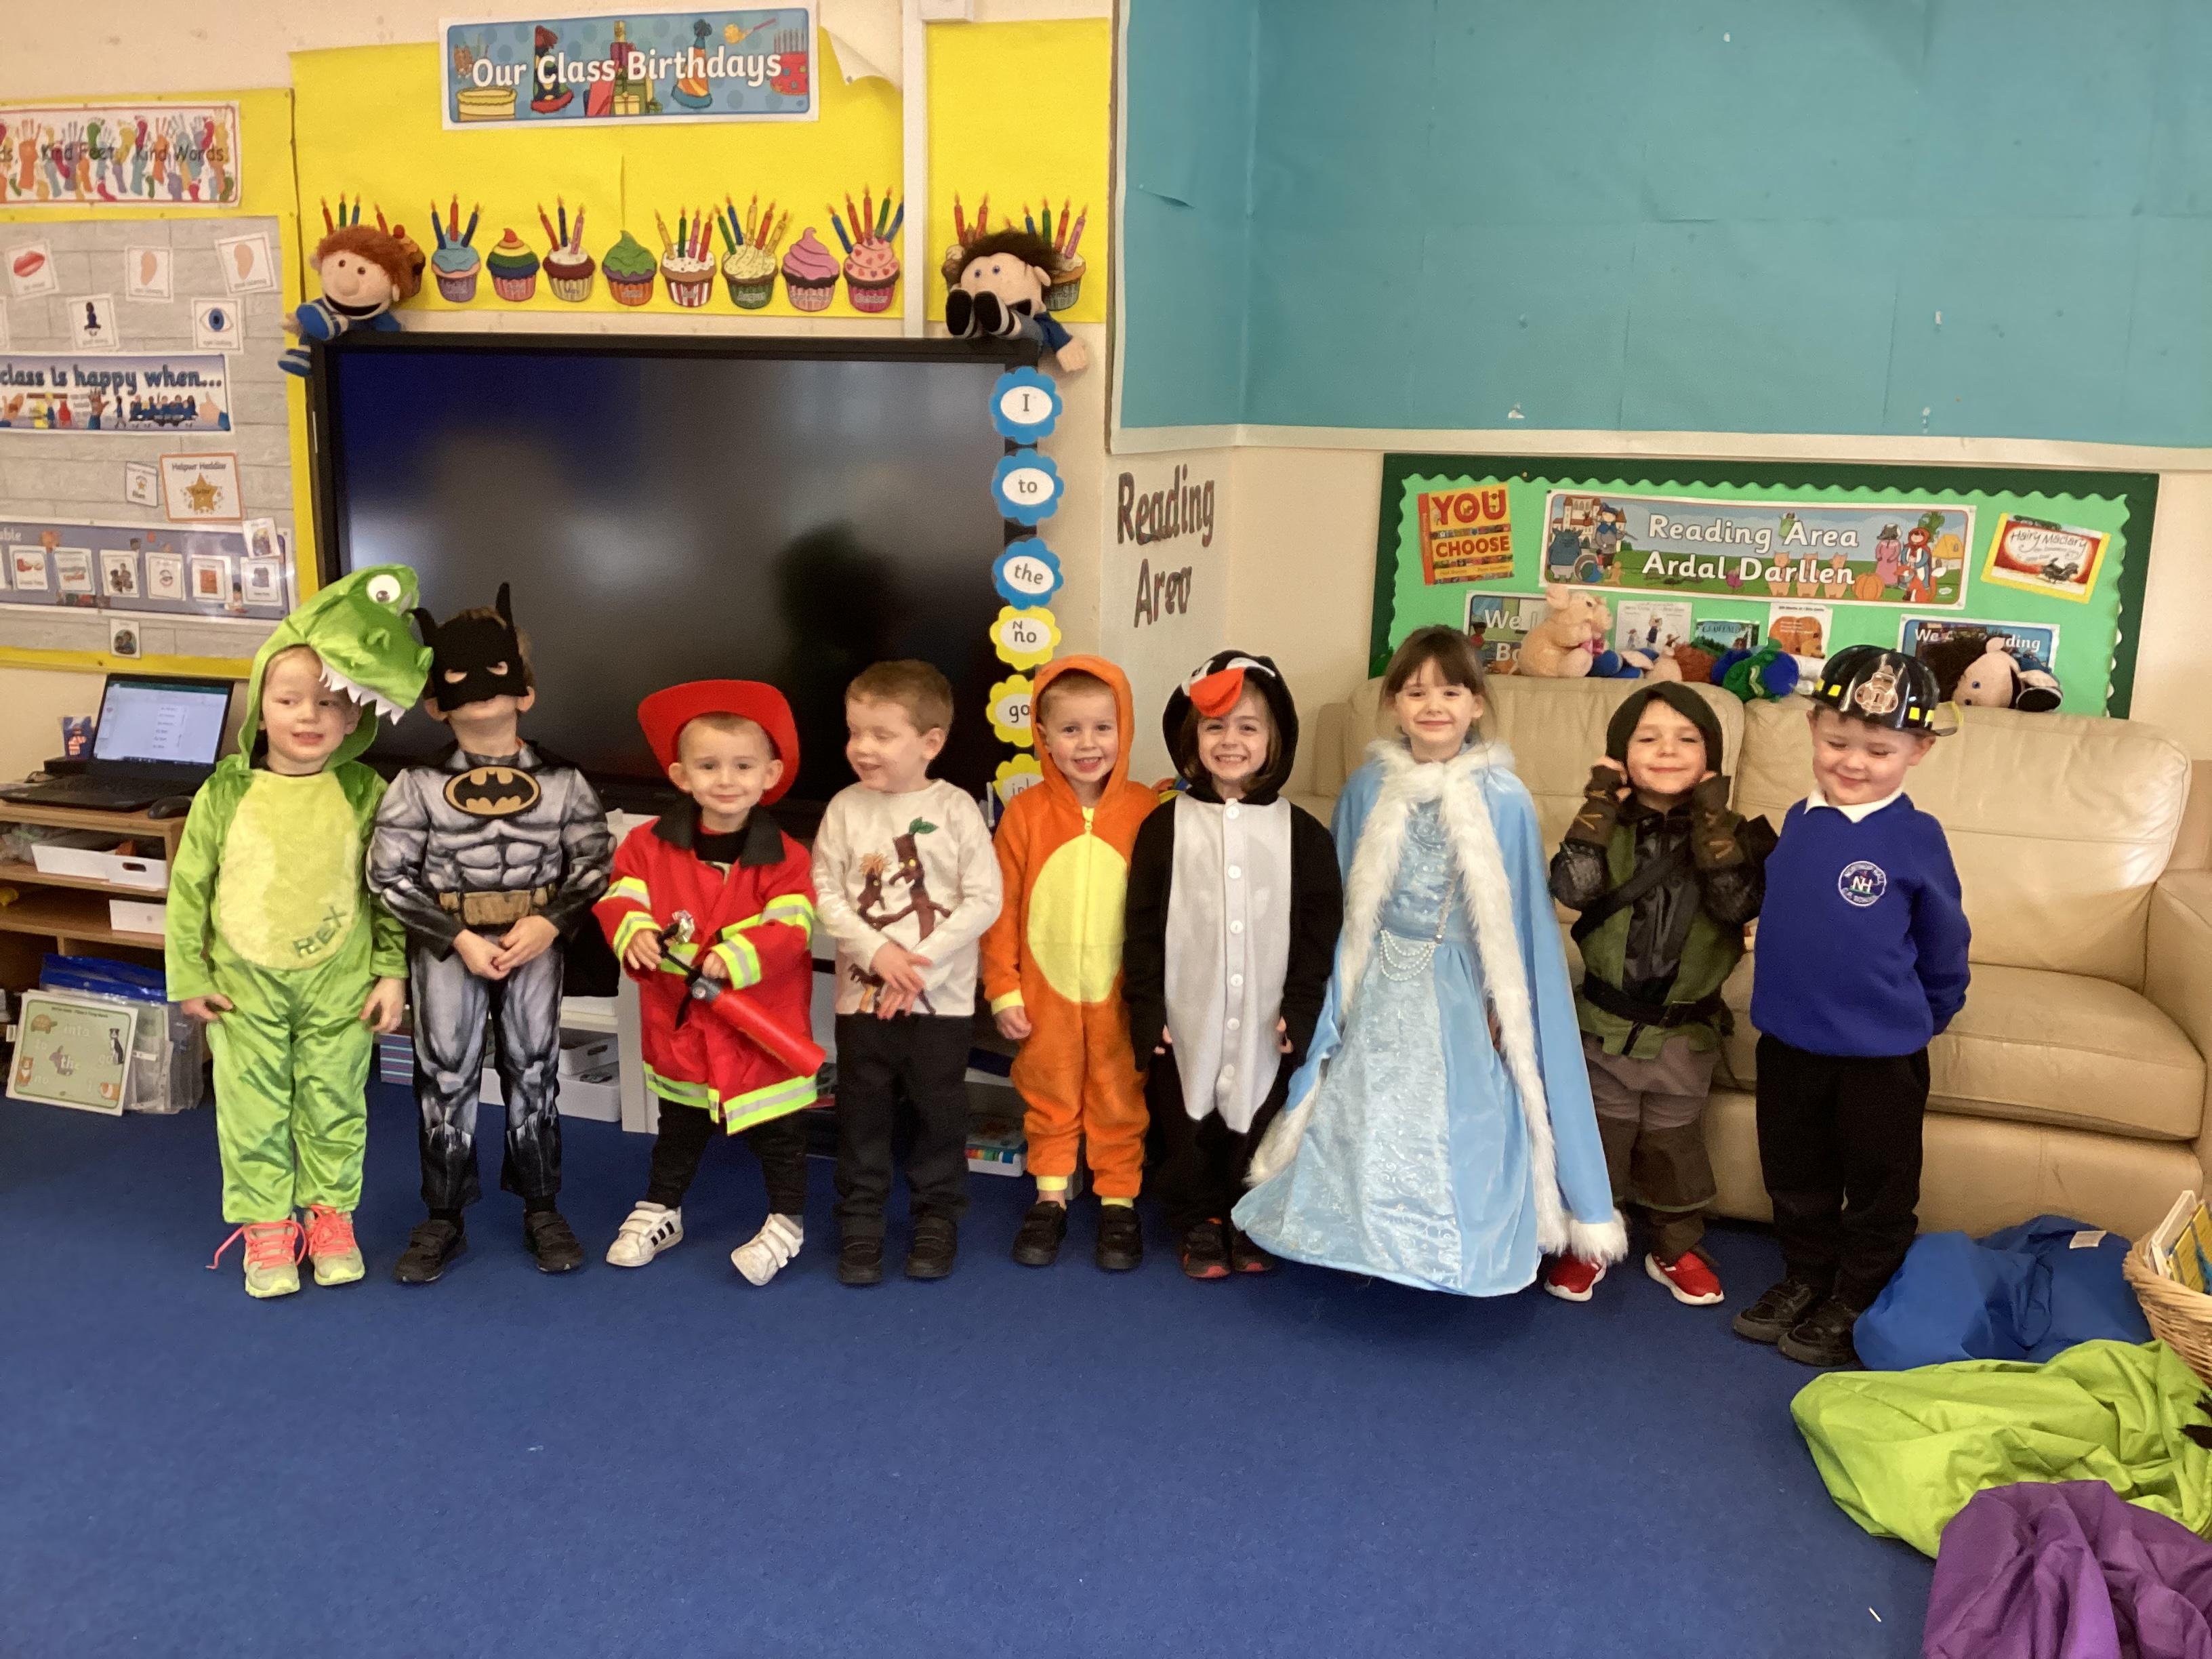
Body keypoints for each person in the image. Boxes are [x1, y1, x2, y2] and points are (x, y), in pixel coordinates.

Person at [1232, 626, 1624, 1294]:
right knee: (1362, 1105)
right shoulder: (1367, 788)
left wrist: (1503, 1003)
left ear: (1477, 704)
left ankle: (1443, 1242)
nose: (1433, 705)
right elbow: (1344, 901)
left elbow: (1519, 921)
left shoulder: (1505, 798)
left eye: (1450, 692)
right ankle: (1361, 1234)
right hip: (1378, 977)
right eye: (1415, 693)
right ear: (1393, 704)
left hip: (1458, 985)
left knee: (1457, 1114)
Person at [167, 567, 430, 1298]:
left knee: (335, 1103)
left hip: (338, 984)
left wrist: (391, 972)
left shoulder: (365, 791)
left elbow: (387, 891)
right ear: (261, 710)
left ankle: (330, 1219)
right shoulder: (225, 792)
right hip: (243, 988)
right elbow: (189, 890)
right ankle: (266, 1228)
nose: (307, 716)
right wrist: (189, 975)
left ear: (352, 718)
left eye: (327, 703)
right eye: (288, 701)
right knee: (251, 1110)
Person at [369, 586, 613, 1283]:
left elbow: (594, 863)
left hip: (535, 939)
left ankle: (542, 1208)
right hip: (450, 943)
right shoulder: (416, 785)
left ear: (524, 692)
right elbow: (387, 875)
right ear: (435, 703)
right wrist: (456, 937)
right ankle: (443, 1216)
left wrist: (550, 922)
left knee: (534, 1070)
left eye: (496, 674)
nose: (480, 691)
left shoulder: (564, 782)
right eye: (458, 678)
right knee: (444, 1074)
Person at [1733, 646, 1968, 1367]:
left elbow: (1945, 940)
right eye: (1837, 742)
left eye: (1879, 750)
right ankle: (1806, 1275)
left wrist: (1929, 1016)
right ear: (1812, 729)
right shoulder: (1798, 820)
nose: (1854, 763)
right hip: (1789, 1044)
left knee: (1878, 1183)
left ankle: (1860, 1291)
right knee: (1795, 1175)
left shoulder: (1917, 839)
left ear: (1919, 750)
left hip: (1881, 1055)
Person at [1544, 682, 1767, 1307]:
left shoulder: (1741, 836)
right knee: (1603, 1136)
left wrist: (1714, 826)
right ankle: (1591, 1240)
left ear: (1710, 756)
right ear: (1621, 754)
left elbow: (1736, 906)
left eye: (1686, 739)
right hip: (1605, 1023)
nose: (1667, 750)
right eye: (1648, 738)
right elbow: (1573, 889)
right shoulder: (1603, 829)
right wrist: (1597, 806)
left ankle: (1675, 1245)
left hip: (1683, 1030)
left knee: (1674, 1142)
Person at [594, 681, 821, 1286]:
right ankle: (662, 1209)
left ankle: (787, 1221)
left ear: (770, 773)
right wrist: (634, 930)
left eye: (743, 766)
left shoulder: (788, 857)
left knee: (781, 1136)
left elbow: (793, 927)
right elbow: (620, 898)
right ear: (681, 775)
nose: (726, 780)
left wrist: (738, 954)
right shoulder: (644, 845)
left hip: (761, 1029)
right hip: (684, 1026)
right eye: (709, 766)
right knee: (680, 1127)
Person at [1122, 652, 1341, 1279]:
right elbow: (1141, 926)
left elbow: (1319, 931)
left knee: (1260, 1112)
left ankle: (1250, 1214)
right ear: (1190, 736)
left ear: (1276, 737)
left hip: (1267, 1015)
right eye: (1214, 726)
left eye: (1248, 727)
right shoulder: (1164, 827)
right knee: (1185, 1114)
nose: (1230, 741)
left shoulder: (1304, 835)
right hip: (1187, 1010)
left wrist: (1301, 1005)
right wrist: (1148, 1006)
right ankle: (1197, 1216)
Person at [811, 661, 1003, 1285]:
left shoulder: (955, 809)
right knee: (862, 1113)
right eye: (854, 732)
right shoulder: (845, 808)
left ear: (930, 742)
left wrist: (916, 968)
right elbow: (825, 892)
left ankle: (936, 1218)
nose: (862, 747)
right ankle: (860, 1220)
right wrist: (877, 956)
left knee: (938, 1113)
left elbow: (984, 899)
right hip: (861, 1001)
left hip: (939, 1004)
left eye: (882, 734)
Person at [980, 656, 1158, 1270]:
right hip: (1044, 992)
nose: (1088, 744)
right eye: (1071, 730)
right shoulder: (1025, 815)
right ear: (1044, 737)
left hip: (1120, 992)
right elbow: (1001, 910)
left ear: (1124, 728)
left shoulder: (1146, 811)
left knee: (1120, 1092)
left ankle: (1118, 1199)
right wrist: (1003, 989)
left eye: (1102, 727)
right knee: (1048, 1088)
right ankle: (1050, 1195)